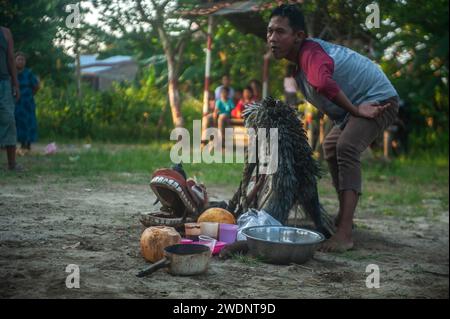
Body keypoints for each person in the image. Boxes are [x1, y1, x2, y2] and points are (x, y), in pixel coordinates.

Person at [267, 4, 400, 252]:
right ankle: (344, 218)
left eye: (280, 32)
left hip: (378, 100)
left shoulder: (310, 53)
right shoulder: (299, 66)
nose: (273, 38)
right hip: (359, 104)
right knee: (330, 147)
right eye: (270, 31)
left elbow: (321, 82)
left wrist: (357, 110)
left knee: (346, 147)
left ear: (298, 36)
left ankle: (345, 233)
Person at [0, 26, 21, 170]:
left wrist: (15, 84)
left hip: (4, 82)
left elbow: (10, 58)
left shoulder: (5, 32)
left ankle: (12, 164)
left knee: (9, 119)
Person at [14, 52, 39, 153]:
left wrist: (30, 95)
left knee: (29, 122)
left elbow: (36, 86)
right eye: (19, 59)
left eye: (23, 60)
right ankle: (21, 143)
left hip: (27, 102)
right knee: (18, 123)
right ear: (14, 61)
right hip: (16, 102)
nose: (21, 62)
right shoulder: (12, 73)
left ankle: (28, 144)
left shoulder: (29, 73)